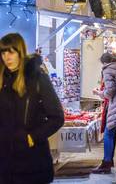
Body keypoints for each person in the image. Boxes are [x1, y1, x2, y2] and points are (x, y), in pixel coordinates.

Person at [0, 33, 64, 184]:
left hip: (31, 162)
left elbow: (57, 117)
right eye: (3, 52)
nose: (6, 57)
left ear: (20, 52)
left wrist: (31, 137)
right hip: (4, 162)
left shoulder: (37, 78)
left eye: (11, 52)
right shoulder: (2, 80)